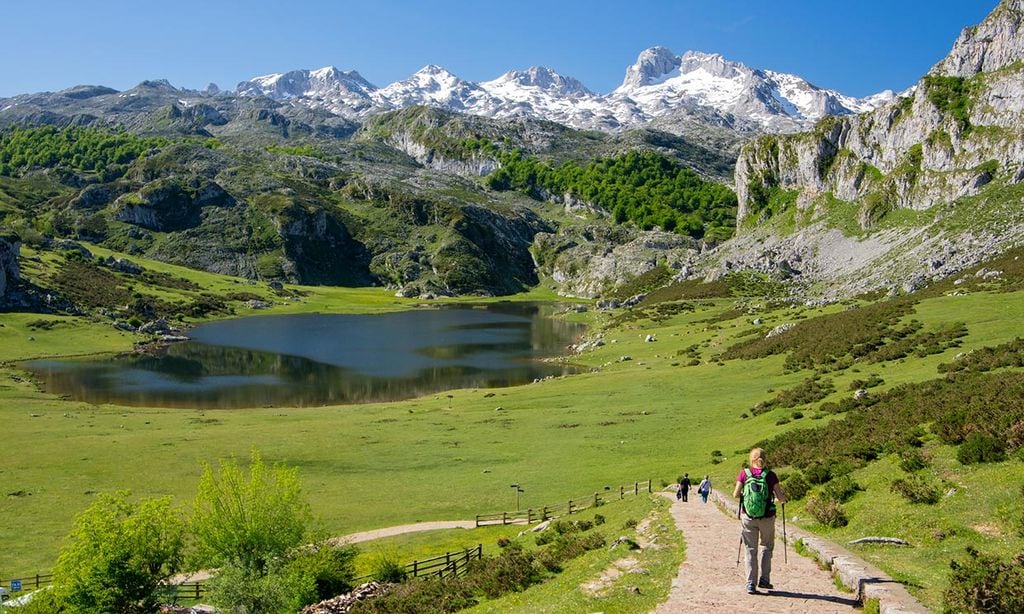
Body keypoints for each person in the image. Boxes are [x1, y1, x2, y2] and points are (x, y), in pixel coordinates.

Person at [732, 447, 786, 595]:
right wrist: (783, 499)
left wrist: (746, 495)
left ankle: (750, 583)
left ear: (751, 459)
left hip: (748, 517)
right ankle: (764, 579)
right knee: (767, 547)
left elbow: (735, 494)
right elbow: (780, 497)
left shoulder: (745, 473)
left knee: (750, 549)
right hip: (767, 517)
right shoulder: (771, 475)